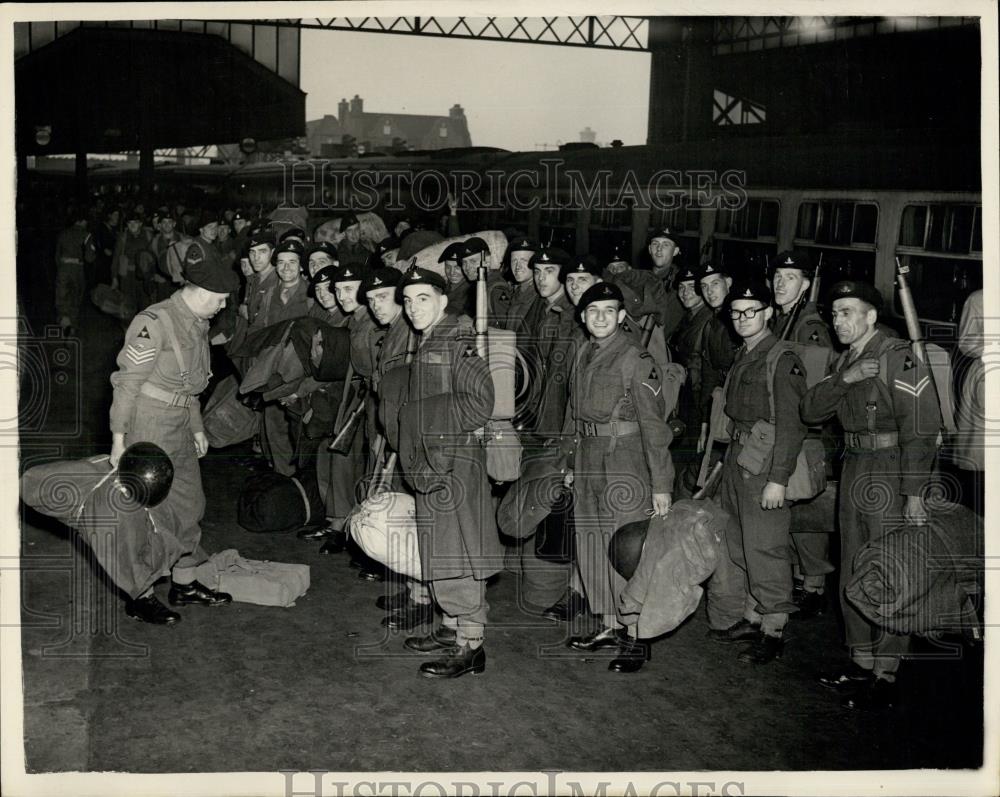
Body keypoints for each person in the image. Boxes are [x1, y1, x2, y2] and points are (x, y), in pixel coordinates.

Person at [801, 280, 941, 710]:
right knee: (854, 568)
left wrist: (914, 493)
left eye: (848, 311)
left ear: (871, 316)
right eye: (835, 312)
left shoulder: (897, 356)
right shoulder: (848, 359)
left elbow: (921, 429)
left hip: (891, 471)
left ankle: (886, 671)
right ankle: (860, 662)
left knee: (889, 570)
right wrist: (845, 378)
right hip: (855, 466)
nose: (839, 320)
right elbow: (811, 411)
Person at [108, 247, 240, 623]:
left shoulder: (197, 321)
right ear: (198, 290)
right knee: (149, 514)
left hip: (181, 421)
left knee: (189, 504)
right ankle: (141, 594)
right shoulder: (155, 322)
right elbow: (126, 384)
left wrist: (197, 426)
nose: (221, 307)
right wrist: (120, 440)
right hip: (148, 424)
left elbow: (191, 385)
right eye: (218, 300)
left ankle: (184, 582)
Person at [392, 266, 500, 679]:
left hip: (452, 463)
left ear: (441, 300)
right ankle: (453, 626)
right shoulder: (430, 339)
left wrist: (428, 425)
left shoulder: (456, 339)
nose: (413, 308)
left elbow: (480, 401)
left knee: (460, 554)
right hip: (434, 462)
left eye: (423, 299)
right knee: (441, 550)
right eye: (407, 300)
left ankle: (470, 647)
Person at [562, 282, 673, 673]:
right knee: (592, 547)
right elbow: (573, 415)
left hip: (624, 461)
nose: (601, 318)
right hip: (589, 459)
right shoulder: (582, 352)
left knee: (624, 550)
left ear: (622, 316)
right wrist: (570, 463)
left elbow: (655, 427)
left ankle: (636, 636)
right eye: (594, 311)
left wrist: (661, 485)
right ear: (582, 316)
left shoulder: (635, 359)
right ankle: (611, 625)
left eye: (609, 310)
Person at [711, 281, 808, 665]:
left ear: (769, 312)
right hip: (740, 457)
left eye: (750, 311)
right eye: (735, 312)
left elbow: (792, 425)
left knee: (765, 547)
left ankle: (774, 629)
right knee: (739, 541)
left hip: (764, 464)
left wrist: (778, 479)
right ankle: (753, 617)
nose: (741, 318)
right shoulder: (746, 352)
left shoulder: (781, 358)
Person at [768, 250, 835, 617]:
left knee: (807, 513)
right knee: (790, 513)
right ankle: (799, 580)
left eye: (790, 277)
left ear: (806, 285)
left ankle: (813, 585)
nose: (781, 283)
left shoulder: (808, 326)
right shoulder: (782, 320)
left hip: (804, 433)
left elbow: (812, 392)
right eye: (777, 276)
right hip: (783, 429)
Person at [667, 265, 714, 498]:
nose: (685, 292)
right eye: (681, 287)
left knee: (688, 467)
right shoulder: (690, 317)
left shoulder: (706, 320)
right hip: (685, 400)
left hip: (696, 404)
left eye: (692, 287)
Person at [54, 210, 97, 336]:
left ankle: (64, 321)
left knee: (62, 298)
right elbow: (90, 257)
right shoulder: (86, 234)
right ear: (83, 221)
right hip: (77, 270)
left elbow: (57, 256)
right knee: (75, 297)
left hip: (63, 269)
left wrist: (62, 267)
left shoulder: (63, 233)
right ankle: (72, 326)